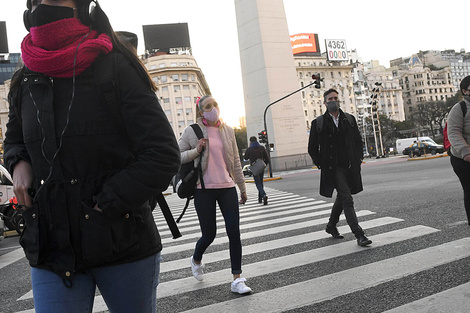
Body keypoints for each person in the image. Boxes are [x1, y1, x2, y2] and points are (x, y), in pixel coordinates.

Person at [4, 1, 180, 312]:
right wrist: (18, 163)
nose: (47, 5)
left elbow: (163, 154)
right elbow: (14, 140)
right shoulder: (24, 78)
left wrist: (103, 205)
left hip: (121, 240)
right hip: (52, 249)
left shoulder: (115, 66)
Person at [178, 95, 252, 294]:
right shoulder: (191, 131)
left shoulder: (227, 130)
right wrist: (196, 150)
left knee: (234, 231)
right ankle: (196, 259)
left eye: (215, 105)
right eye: (208, 107)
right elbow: (177, 156)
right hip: (203, 190)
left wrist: (242, 188)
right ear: (201, 112)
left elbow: (235, 160)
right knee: (209, 234)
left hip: (227, 187)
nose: (213, 109)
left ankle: (237, 279)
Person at [308, 88, 372, 247]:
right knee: (347, 198)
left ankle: (331, 226)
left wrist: (358, 158)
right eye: (330, 99)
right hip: (333, 168)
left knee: (342, 197)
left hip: (350, 166)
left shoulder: (349, 119)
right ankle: (359, 234)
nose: (333, 101)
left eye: (335, 98)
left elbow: (358, 141)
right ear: (324, 103)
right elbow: (312, 148)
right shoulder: (319, 123)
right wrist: (321, 164)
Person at [448, 75, 470, 225]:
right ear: (465, 91)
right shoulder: (459, 108)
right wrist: (465, 151)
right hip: (462, 159)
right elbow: (453, 132)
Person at [244, 136, 270, 205]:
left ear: (250, 142)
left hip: (254, 168)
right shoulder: (261, 148)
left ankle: (263, 195)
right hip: (261, 167)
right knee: (261, 182)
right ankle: (260, 198)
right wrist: (264, 165)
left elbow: (245, 158)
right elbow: (267, 159)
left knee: (257, 183)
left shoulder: (249, 149)